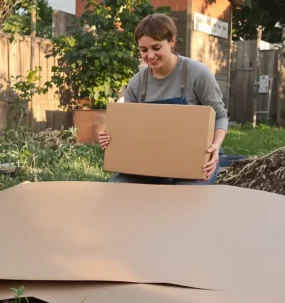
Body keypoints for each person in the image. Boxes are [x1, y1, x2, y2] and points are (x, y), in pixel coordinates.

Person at [98, 13, 229, 185]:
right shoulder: (136, 83)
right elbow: (128, 128)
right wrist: (110, 138)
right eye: (143, 50)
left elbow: (220, 116)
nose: (150, 55)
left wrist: (215, 146)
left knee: (183, 197)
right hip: (151, 159)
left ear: (172, 42)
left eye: (156, 47)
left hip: (197, 158)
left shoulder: (198, 73)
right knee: (118, 187)